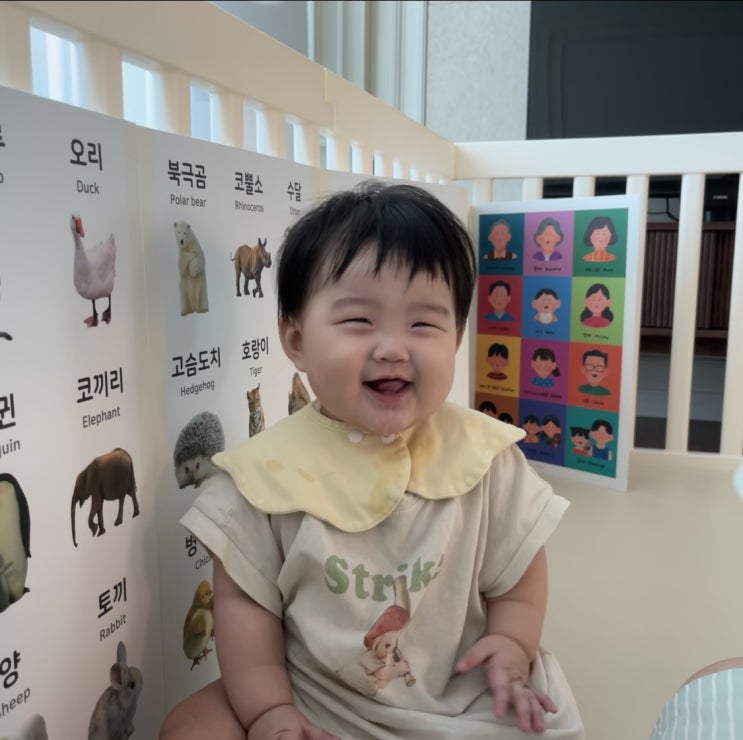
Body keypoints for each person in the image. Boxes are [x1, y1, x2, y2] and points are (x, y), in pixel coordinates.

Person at [162, 181, 584, 739]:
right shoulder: (263, 476)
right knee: (190, 725)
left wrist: (511, 645)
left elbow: (518, 574)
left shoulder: (483, 456)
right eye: (359, 321)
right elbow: (244, 606)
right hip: (317, 700)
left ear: (457, 338)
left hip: (460, 698)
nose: (392, 347)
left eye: (423, 324)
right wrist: (269, 711)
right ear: (296, 339)